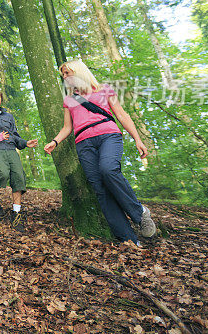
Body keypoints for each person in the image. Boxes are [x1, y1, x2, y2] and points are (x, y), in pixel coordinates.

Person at [43, 59, 156, 246]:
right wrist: (55, 141)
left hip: (108, 136)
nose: (64, 77)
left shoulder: (104, 89)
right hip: (83, 143)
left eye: (67, 73)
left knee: (108, 170)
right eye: (63, 75)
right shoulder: (70, 100)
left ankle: (140, 213)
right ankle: (128, 239)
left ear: (79, 71)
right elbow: (67, 127)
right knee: (100, 190)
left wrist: (137, 139)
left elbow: (122, 115)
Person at [0, 87, 39, 231]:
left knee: (19, 179)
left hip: (11, 149)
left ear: (1, 99)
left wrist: (25, 143)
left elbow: (15, 135)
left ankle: (16, 213)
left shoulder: (8, 116)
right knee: (2, 174)